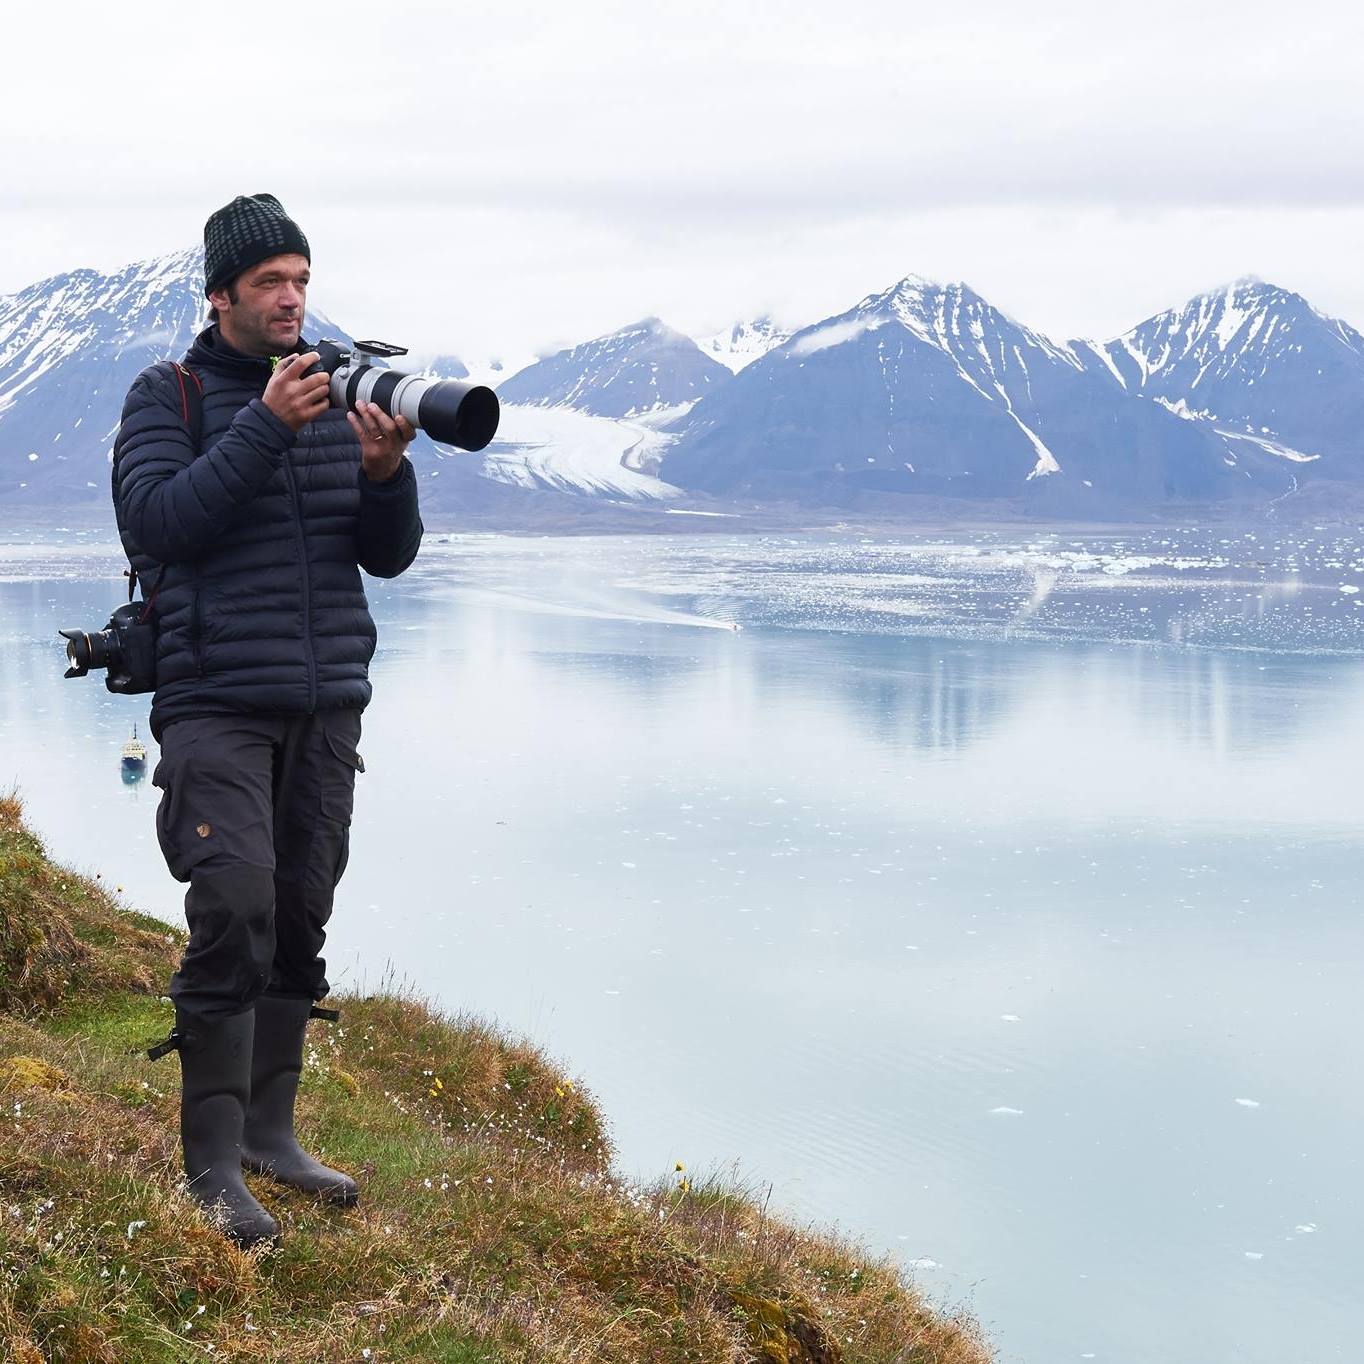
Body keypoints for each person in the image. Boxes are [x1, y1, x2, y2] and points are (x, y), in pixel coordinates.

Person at [112, 193, 423, 1246]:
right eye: (268, 284)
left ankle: (268, 1133)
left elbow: (385, 553)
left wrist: (385, 473)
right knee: (234, 900)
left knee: (298, 910)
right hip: (213, 698)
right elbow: (160, 520)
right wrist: (262, 425)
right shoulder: (174, 395)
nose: (291, 298)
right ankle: (207, 1163)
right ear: (222, 296)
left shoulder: (337, 395)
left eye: (300, 278)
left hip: (326, 695)